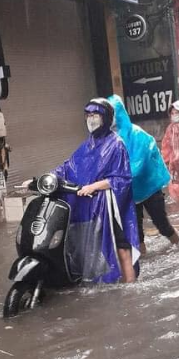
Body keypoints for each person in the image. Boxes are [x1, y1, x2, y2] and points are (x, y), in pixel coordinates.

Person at [51, 98, 139, 284]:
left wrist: (94, 186)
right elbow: (67, 168)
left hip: (110, 205)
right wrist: (44, 179)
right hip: (89, 207)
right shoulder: (86, 146)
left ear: (105, 117)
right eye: (88, 115)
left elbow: (122, 179)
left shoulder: (117, 144)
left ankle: (131, 288)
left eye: (96, 115)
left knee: (121, 246)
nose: (91, 119)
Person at [108, 95, 179, 255]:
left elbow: (140, 162)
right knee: (136, 233)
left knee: (162, 225)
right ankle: (144, 263)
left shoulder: (136, 134)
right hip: (129, 192)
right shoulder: (108, 139)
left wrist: (118, 178)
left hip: (149, 189)